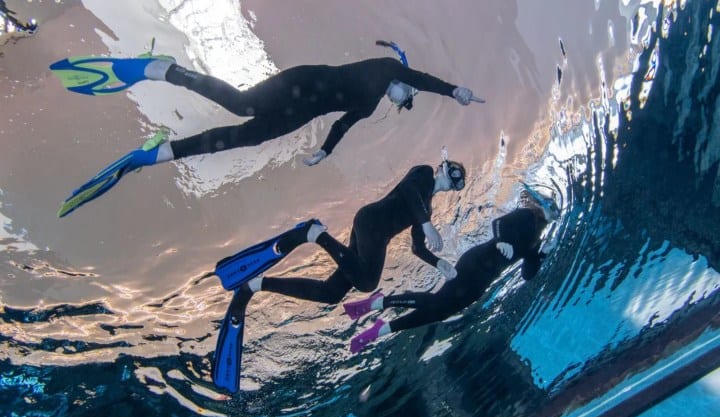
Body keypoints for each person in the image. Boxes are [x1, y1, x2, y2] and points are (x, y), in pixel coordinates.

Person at [51, 42, 482, 217]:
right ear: (403, 80)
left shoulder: (370, 105)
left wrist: (325, 153)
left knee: (245, 138)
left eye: (406, 103)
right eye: (408, 96)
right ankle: (166, 70)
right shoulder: (386, 68)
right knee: (241, 104)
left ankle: (162, 152)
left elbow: (343, 124)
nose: (405, 100)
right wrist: (454, 90)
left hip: (300, 113)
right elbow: (422, 78)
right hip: (300, 83)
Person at [227, 152, 467, 320]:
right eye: (455, 172)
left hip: (376, 235)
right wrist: (426, 224)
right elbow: (409, 189)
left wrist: (439, 263)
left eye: (459, 182)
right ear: (442, 167)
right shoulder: (424, 173)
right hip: (372, 222)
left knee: (331, 293)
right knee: (367, 282)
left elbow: (417, 247)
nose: (455, 179)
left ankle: (258, 284)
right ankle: (316, 235)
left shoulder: (427, 208)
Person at [346, 186, 560, 353]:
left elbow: (527, 274)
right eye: (552, 206)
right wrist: (502, 240)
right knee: (438, 302)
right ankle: (377, 305)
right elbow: (498, 224)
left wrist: (542, 254)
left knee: (440, 311)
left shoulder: (535, 241)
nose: (554, 212)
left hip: (483, 281)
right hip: (477, 264)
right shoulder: (526, 215)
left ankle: (379, 330)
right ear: (542, 205)